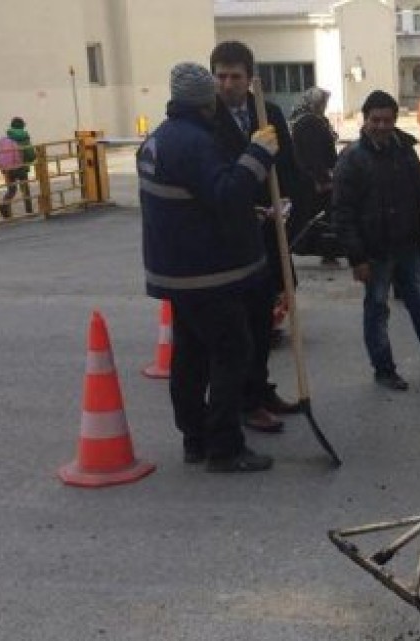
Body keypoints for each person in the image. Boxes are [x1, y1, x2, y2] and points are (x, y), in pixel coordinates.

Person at [138, 61, 280, 472]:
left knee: (191, 355)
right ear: (206, 103)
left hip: (175, 270)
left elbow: (193, 202)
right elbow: (227, 193)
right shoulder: (194, 143)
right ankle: (224, 447)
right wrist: (257, 154)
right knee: (232, 350)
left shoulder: (158, 140)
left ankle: (195, 438)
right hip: (205, 273)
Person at [331, 89, 420, 391]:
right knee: (377, 311)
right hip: (375, 251)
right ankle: (384, 370)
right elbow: (342, 214)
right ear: (365, 119)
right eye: (376, 120)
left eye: (387, 120)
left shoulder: (405, 152)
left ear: (396, 120)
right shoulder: (352, 159)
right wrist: (357, 258)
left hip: (408, 246)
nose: (382, 126)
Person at [209, 40, 303, 434]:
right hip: (231, 237)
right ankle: (245, 403)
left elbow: (288, 167)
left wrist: (288, 202)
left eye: (235, 77)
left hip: (270, 233)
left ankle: (262, 390)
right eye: (221, 76)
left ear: (250, 80)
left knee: (265, 320)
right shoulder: (209, 119)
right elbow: (214, 180)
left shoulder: (270, 113)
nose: (228, 84)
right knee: (241, 327)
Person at [288, 86, 341, 267]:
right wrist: (322, 180)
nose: (325, 106)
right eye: (323, 102)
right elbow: (313, 154)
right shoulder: (310, 122)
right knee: (318, 217)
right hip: (312, 179)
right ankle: (321, 252)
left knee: (311, 216)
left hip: (309, 177)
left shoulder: (307, 120)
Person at [0, 117, 36, 217]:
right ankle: (29, 211)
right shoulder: (24, 138)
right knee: (25, 189)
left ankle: (4, 206)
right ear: (22, 126)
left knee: (12, 189)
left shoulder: (6, 139)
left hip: (8, 169)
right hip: (21, 167)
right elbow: (30, 154)